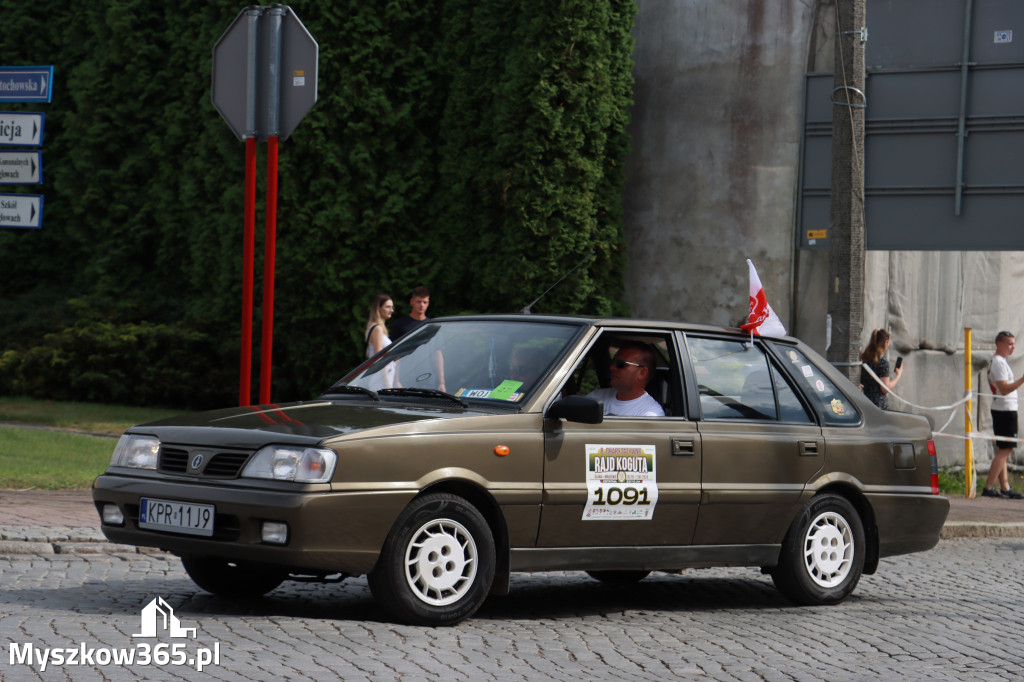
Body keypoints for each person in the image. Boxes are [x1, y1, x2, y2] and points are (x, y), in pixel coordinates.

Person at [983, 331, 1024, 499]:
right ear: (999, 344)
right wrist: (1022, 379)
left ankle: (1005, 486)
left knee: (1003, 449)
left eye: (1013, 344)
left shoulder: (1001, 361)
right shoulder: (998, 363)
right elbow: (1005, 389)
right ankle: (989, 486)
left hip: (1005, 409)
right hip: (1005, 410)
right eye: (1009, 344)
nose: (1013, 347)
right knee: (1005, 450)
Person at [587, 342, 665, 417]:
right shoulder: (596, 397)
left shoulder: (649, 414)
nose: (612, 367)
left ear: (642, 373)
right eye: (612, 362)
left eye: (620, 364)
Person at [859, 329, 902, 410]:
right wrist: (898, 375)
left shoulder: (864, 358)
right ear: (886, 342)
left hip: (864, 403)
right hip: (878, 407)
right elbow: (885, 389)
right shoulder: (882, 362)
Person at [364, 293, 395, 389]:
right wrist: (387, 385)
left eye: (392, 307)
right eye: (388, 307)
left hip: (380, 378)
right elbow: (380, 358)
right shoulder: (377, 329)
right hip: (381, 381)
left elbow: (368, 354)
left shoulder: (372, 327)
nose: (391, 310)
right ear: (378, 308)